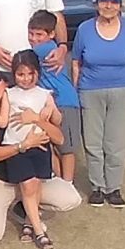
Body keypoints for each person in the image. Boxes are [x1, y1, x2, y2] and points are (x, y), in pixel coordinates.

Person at [0, 67, 80, 246]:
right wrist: (22, 146)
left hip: (29, 174)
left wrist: (38, 119)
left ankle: (24, 207)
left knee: (71, 198)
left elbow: (59, 137)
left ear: (6, 82)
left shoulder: (27, 103)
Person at [72, 0, 125, 209]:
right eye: (104, 1)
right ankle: (97, 187)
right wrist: (76, 93)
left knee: (117, 143)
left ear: (120, 5)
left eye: (113, 2)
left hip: (124, 91)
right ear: (97, 4)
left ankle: (113, 187)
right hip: (90, 90)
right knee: (94, 143)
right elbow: (77, 62)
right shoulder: (85, 29)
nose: (108, 6)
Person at [0, 52, 60, 249]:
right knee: (28, 185)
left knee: (37, 184)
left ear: (37, 73)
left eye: (29, 74)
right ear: (13, 75)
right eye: (20, 74)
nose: (25, 78)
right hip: (17, 145)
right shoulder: (10, 94)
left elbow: (57, 122)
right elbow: (3, 121)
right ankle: (39, 232)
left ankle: (27, 221)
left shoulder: (45, 94)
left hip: (40, 144)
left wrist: (48, 113)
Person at [28, 10, 81, 182]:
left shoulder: (46, 49)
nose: (34, 38)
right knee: (51, 145)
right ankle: (58, 181)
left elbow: (22, 60)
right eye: (31, 33)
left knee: (66, 147)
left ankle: (68, 183)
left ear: (52, 34)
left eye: (39, 34)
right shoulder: (45, 48)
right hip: (49, 103)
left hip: (65, 101)